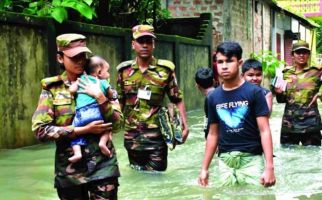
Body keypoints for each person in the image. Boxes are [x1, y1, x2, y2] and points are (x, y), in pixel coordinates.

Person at [32, 33, 123, 199]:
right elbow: (40, 131)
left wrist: (101, 99)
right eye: (74, 57)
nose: (80, 60)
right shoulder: (52, 89)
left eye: (83, 55)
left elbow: (118, 125)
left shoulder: (101, 83)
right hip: (69, 171)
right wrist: (81, 130)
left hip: (103, 166)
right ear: (60, 58)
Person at [198, 41, 275, 187]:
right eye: (220, 62)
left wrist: (269, 167)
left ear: (239, 62)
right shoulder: (213, 97)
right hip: (225, 162)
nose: (224, 66)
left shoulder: (255, 92)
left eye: (229, 61)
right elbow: (213, 134)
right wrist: (204, 168)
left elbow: (265, 130)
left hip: (251, 159)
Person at [116, 24, 189, 171]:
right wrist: (113, 128)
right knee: (137, 178)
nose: (145, 45)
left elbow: (177, 98)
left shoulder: (165, 70)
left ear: (154, 44)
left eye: (148, 41)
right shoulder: (124, 71)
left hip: (157, 137)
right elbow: (120, 101)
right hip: (132, 138)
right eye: (140, 41)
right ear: (133, 44)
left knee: (157, 179)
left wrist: (184, 125)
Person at [273, 40, 322, 146]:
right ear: (292, 55)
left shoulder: (317, 72)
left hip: (311, 124)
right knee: (289, 157)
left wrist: (320, 94)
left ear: (308, 55)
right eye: (298, 52)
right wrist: (278, 93)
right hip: (289, 124)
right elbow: (281, 100)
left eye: (304, 52)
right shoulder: (284, 74)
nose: (301, 55)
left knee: (312, 158)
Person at [68, 56, 115, 163]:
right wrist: (108, 96)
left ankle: (77, 153)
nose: (108, 74)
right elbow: (111, 94)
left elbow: (71, 90)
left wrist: (75, 87)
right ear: (99, 72)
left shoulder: (81, 80)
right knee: (107, 126)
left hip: (80, 114)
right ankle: (102, 143)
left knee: (75, 133)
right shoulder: (102, 82)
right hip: (95, 111)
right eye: (107, 71)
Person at [194, 67, 215, 139]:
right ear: (214, 81)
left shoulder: (209, 98)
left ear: (197, 86)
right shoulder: (219, 93)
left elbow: (210, 122)